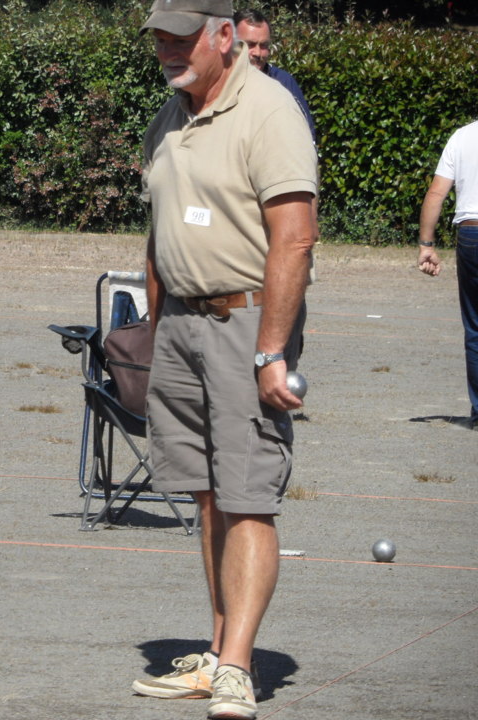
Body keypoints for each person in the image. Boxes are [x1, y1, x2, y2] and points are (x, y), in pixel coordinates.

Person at [130, 2, 318, 719]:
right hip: (180, 321)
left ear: (224, 36)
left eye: (182, 39)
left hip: (245, 323)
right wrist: (156, 331)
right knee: (207, 493)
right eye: (160, 40)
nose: (169, 51)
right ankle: (217, 654)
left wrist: (271, 349)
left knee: (247, 495)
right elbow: (159, 232)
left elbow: (295, 237)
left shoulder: (269, 111)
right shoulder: (170, 116)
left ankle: (237, 666)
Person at [417, 121, 478, 431]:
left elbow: (436, 192)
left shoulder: (463, 136)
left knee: (475, 326)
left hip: (472, 232)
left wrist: (426, 244)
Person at [234, 8, 316, 142]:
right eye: (250, 44)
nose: (258, 53)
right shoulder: (215, 85)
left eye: (263, 45)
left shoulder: (283, 82)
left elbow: (307, 135)